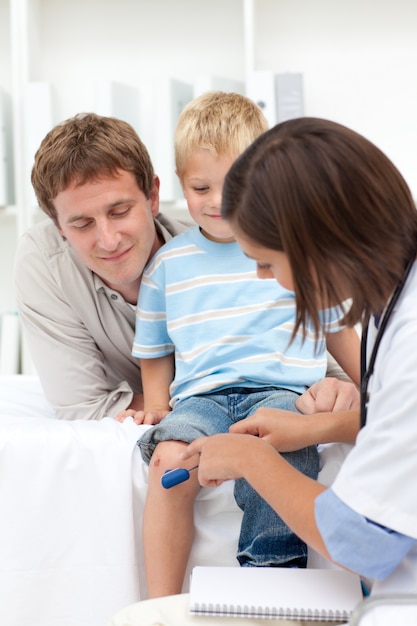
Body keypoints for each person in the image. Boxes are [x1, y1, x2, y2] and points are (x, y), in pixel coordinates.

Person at [106, 116, 417, 625]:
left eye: (267, 263)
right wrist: (318, 427)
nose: (261, 278)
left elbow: (362, 542)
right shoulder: (394, 309)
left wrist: (253, 460)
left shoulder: (409, 340)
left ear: (315, 242)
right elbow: (394, 421)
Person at [13, 111, 357, 422]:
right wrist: (199, 409)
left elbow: (312, 355)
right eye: (82, 224)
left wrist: (332, 391)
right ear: (58, 225)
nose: (108, 239)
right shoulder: (44, 261)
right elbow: (83, 405)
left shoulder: (226, 246)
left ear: (152, 196)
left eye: (120, 211)